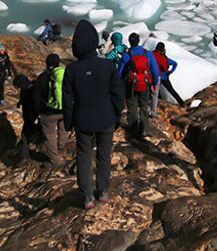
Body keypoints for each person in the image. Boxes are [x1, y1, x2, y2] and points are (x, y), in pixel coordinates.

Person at [62, 19, 125, 209]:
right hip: (106, 118)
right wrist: (117, 116)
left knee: (83, 155)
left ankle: (87, 196)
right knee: (104, 155)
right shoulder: (107, 66)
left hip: (83, 120)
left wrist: (68, 123)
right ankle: (103, 191)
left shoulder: (71, 69)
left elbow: (67, 99)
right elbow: (117, 94)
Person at [118, 32, 159, 138]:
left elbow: (120, 72)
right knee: (144, 107)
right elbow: (155, 70)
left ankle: (133, 129)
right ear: (139, 41)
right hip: (144, 84)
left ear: (130, 42)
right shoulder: (147, 53)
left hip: (131, 85)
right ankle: (143, 130)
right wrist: (154, 83)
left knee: (132, 107)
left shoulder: (126, 55)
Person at [34, 54, 67, 167]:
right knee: (63, 129)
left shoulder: (43, 78)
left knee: (50, 136)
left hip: (48, 112)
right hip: (64, 109)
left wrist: (37, 112)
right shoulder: (64, 75)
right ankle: (62, 147)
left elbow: (36, 97)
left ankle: (55, 160)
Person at [151, 42, 186, 116]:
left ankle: (155, 105)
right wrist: (170, 71)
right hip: (164, 77)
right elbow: (175, 63)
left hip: (155, 77)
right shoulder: (164, 58)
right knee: (172, 91)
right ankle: (182, 103)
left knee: (154, 91)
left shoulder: (152, 54)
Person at [13, 74, 38, 165]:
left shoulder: (29, 91)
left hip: (31, 116)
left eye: (18, 86)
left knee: (24, 135)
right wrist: (20, 102)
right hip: (33, 116)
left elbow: (34, 104)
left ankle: (24, 157)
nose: (18, 88)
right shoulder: (29, 88)